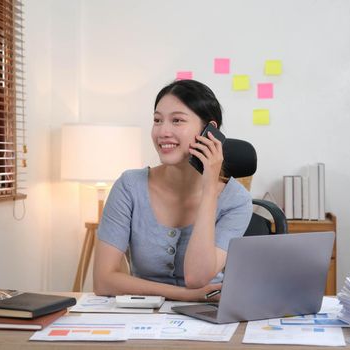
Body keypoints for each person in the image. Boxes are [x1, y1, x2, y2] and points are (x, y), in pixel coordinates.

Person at [93, 79, 252, 301]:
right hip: (142, 317)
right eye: (157, 120)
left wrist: (209, 188)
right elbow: (103, 280)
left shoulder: (236, 200)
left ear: (210, 132)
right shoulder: (129, 186)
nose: (163, 131)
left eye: (177, 120)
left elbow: (197, 278)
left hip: (210, 317)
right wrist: (184, 295)